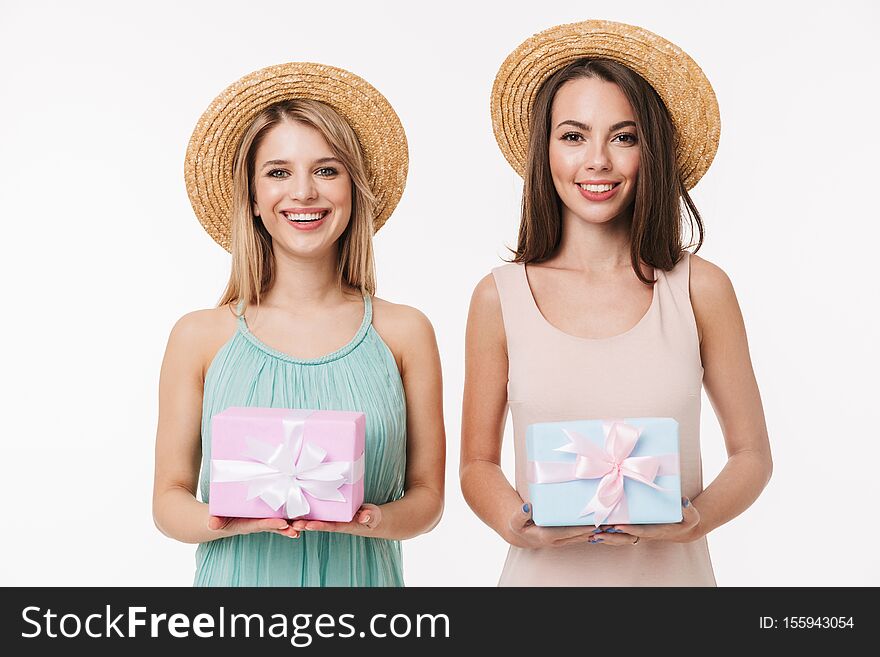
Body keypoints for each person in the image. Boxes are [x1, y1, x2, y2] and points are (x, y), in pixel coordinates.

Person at [461, 20, 772, 586]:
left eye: (623, 137)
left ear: (648, 151)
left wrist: (693, 520)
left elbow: (751, 455)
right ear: (544, 149)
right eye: (573, 136)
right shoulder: (498, 297)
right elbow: (477, 466)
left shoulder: (701, 289)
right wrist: (515, 522)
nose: (598, 160)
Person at [153, 62, 445, 586]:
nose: (304, 192)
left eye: (327, 170)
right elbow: (168, 500)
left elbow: (427, 498)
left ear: (353, 192)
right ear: (254, 199)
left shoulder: (405, 333)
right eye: (279, 171)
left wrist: (371, 520)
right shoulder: (199, 336)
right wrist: (224, 521)